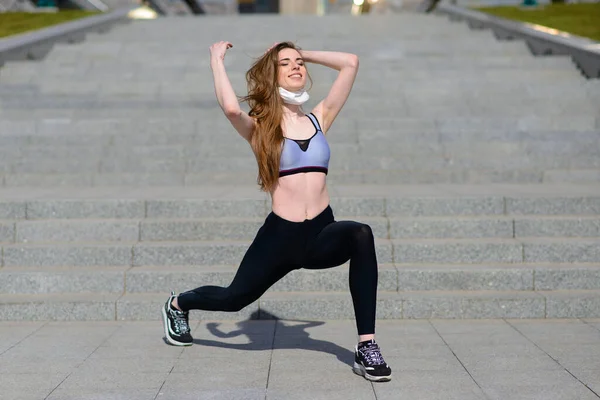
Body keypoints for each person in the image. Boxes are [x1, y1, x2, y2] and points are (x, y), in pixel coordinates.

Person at [161, 40, 392, 382]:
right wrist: (216, 59)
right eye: (286, 63)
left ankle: (366, 345)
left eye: (300, 63)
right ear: (272, 75)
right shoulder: (260, 128)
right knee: (233, 298)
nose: (297, 66)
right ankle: (178, 304)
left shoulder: (320, 118)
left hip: (321, 234)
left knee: (361, 233)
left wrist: (304, 52)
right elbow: (229, 108)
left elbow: (351, 62)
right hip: (280, 237)